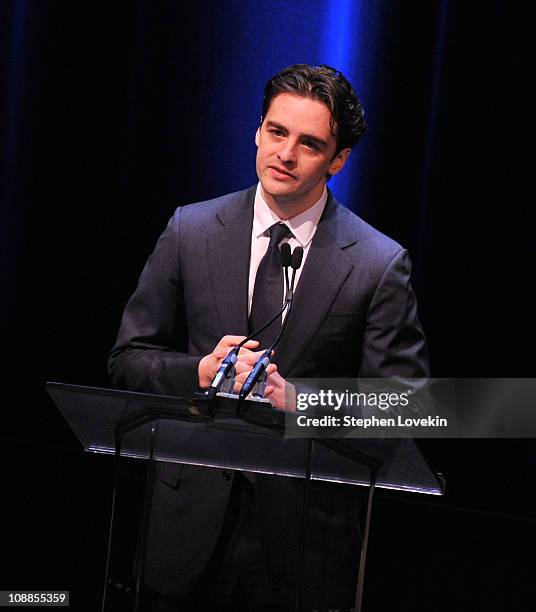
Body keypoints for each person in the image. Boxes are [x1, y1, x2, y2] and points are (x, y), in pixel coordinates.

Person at [109, 64, 429, 610]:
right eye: (277, 132)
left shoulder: (378, 263)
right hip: (184, 531)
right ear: (258, 130)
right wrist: (199, 372)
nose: (285, 153)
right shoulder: (190, 229)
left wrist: (304, 403)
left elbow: (409, 406)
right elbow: (127, 361)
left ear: (338, 159)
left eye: (310, 143)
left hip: (303, 543)